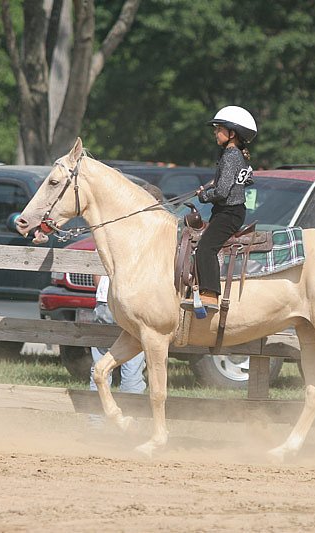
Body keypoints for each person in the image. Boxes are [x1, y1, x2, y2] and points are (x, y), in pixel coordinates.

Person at [89, 182, 164, 394]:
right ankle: (131, 417)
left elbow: (99, 265)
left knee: (101, 361)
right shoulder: (153, 231)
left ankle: (96, 419)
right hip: (136, 303)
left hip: (107, 300)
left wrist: (105, 294)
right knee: (133, 364)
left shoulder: (114, 228)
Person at [182, 105, 257, 312]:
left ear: (232, 133)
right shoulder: (235, 155)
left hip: (229, 213)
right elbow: (244, 180)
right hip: (230, 211)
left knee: (206, 248)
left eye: (219, 129)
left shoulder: (231, 155)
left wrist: (204, 196)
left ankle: (210, 296)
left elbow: (223, 192)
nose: (215, 132)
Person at [89, 273, 146, 394]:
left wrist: (103, 292)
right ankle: (131, 407)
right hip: (135, 299)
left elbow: (96, 268)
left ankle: (97, 407)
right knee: (133, 358)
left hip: (106, 298)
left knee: (101, 357)